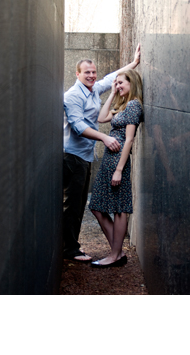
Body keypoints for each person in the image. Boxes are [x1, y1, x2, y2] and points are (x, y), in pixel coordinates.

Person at [63, 44, 141, 262]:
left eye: (93, 72)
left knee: (80, 204)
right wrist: (105, 138)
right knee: (73, 205)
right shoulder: (72, 96)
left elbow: (111, 78)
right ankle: (70, 249)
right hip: (72, 155)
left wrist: (133, 64)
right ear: (77, 74)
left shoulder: (94, 89)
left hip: (86, 156)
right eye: (86, 72)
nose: (91, 76)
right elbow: (78, 126)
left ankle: (113, 252)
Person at [89, 67, 143, 268]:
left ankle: (114, 254)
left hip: (118, 161)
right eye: (117, 82)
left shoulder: (134, 106)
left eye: (121, 83)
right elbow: (101, 118)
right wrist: (112, 92)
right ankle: (116, 251)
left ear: (132, 83)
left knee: (120, 209)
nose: (118, 85)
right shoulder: (124, 105)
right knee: (96, 207)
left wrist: (119, 169)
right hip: (109, 161)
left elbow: (129, 140)